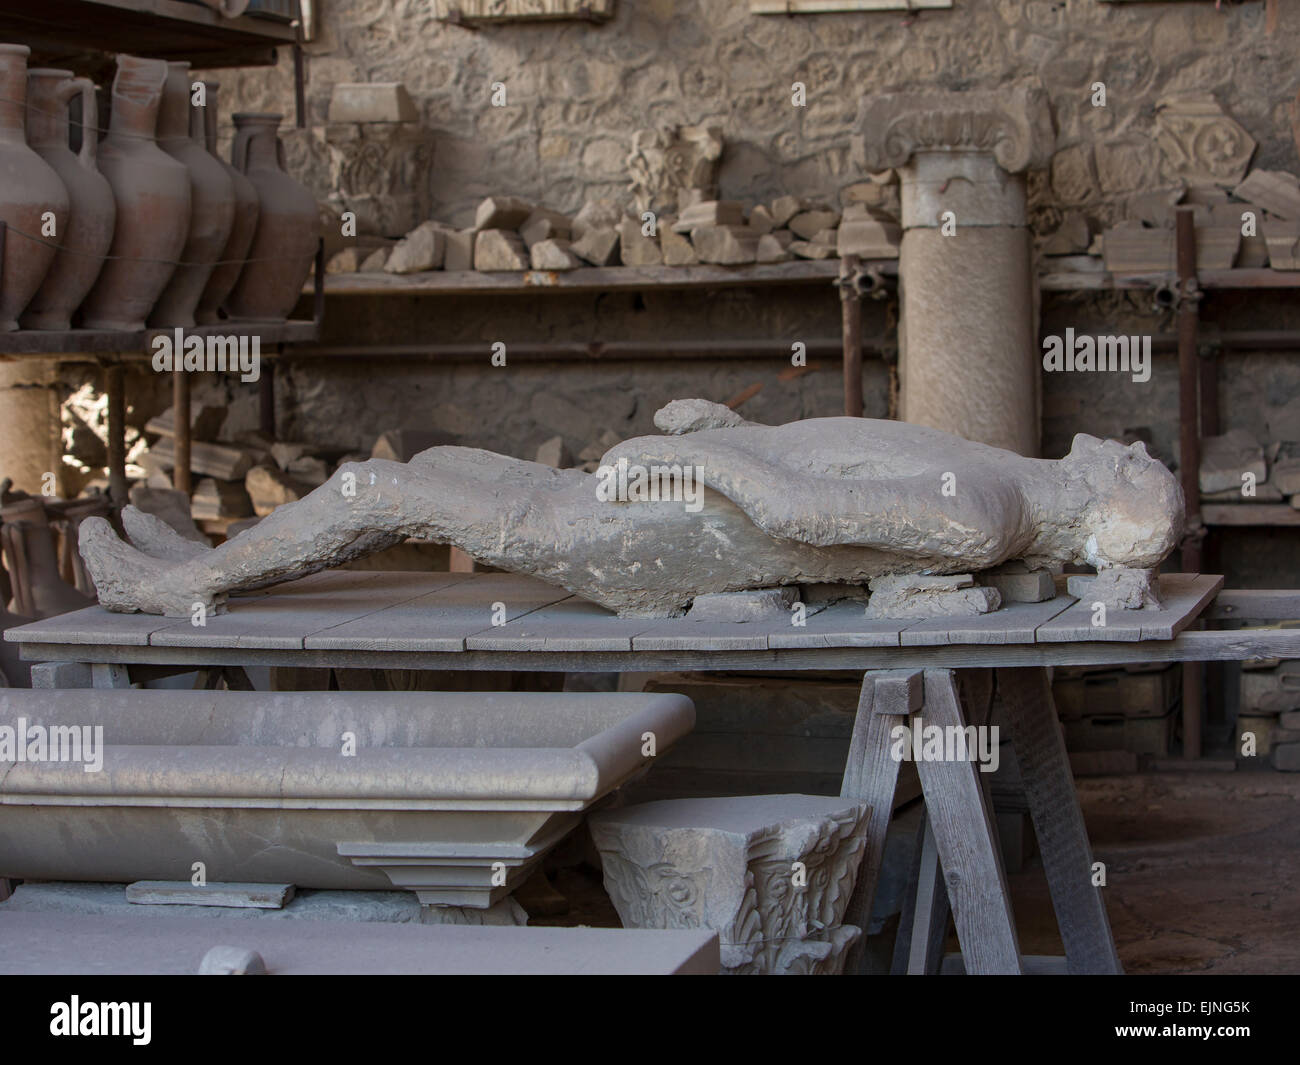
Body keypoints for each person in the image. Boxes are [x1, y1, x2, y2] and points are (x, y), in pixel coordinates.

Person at [80, 399, 1183, 618]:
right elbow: (829, 462)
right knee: (445, 459)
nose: (1123, 441)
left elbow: (796, 511)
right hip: (673, 497)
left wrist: (684, 461)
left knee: (384, 488)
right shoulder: (989, 474)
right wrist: (721, 431)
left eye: (1135, 461)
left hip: (646, 537)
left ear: (1106, 494)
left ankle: (172, 584)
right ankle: (212, 557)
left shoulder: (982, 512)